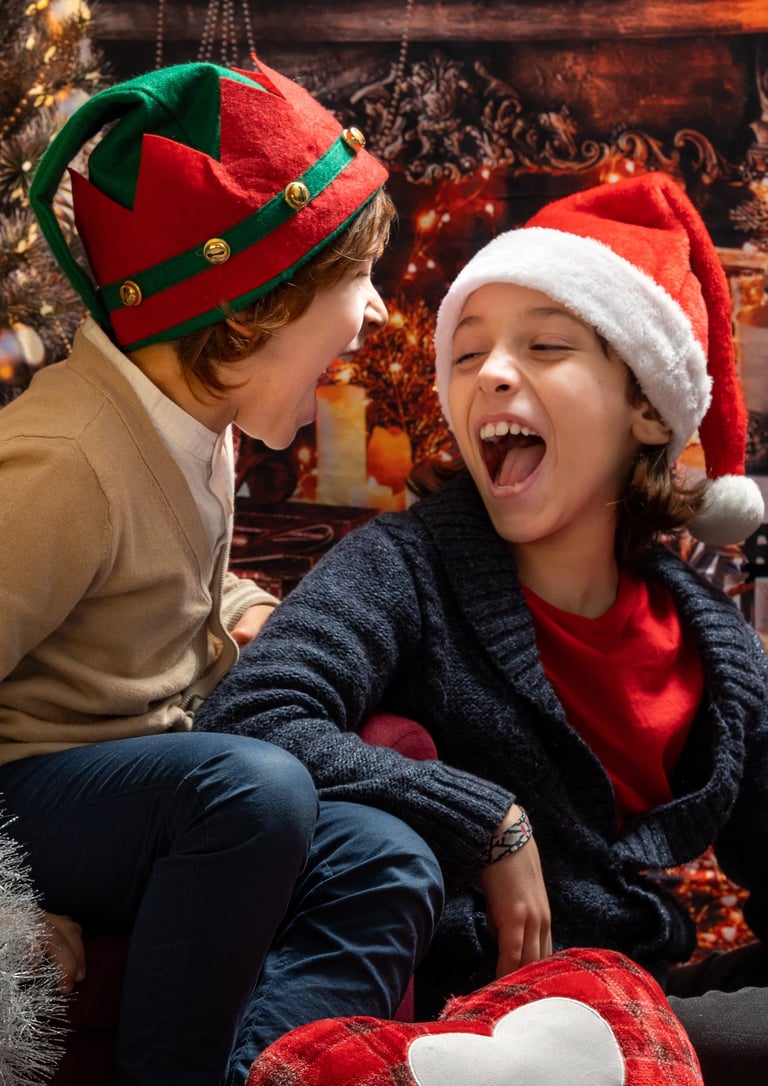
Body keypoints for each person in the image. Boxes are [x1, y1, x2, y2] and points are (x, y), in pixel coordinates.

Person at [195, 171, 768, 1085]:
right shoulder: (403, 567)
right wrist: (486, 818)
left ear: (648, 407)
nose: (494, 371)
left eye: (546, 346)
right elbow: (251, 719)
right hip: (467, 1019)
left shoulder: (716, 649)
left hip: (636, 1002)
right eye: (467, 355)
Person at [0, 58, 443, 1086]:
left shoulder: (203, 415)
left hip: (157, 787)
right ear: (252, 308)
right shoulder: (63, 463)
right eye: (353, 280)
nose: (376, 314)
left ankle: (263, 1073)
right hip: (36, 794)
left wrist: (252, 618)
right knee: (255, 789)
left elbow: (167, 592)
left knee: (391, 858)